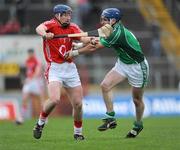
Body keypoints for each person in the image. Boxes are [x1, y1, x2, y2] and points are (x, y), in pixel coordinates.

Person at [65, 8, 149, 138]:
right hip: (123, 63)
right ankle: (111, 118)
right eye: (102, 19)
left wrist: (74, 53)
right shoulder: (111, 28)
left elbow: (95, 46)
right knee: (105, 85)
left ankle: (138, 125)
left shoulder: (117, 33)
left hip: (137, 67)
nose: (102, 21)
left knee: (137, 100)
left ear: (113, 20)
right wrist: (79, 44)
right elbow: (96, 39)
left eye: (105, 19)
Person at [33, 4, 92, 140]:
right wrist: (45, 34)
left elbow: (83, 38)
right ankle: (40, 123)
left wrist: (91, 40)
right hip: (54, 68)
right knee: (54, 99)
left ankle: (78, 133)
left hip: (70, 68)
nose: (67, 17)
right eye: (64, 14)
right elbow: (39, 28)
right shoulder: (51, 24)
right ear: (58, 15)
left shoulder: (73, 27)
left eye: (69, 14)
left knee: (78, 104)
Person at [16, 48, 45, 124]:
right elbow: (28, 71)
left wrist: (31, 78)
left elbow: (37, 72)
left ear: (33, 53)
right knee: (24, 98)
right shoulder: (27, 61)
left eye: (31, 53)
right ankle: (21, 118)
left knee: (41, 100)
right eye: (29, 53)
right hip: (29, 81)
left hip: (37, 81)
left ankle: (44, 117)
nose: (30, 55)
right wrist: (27, 78)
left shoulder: (37, 60)